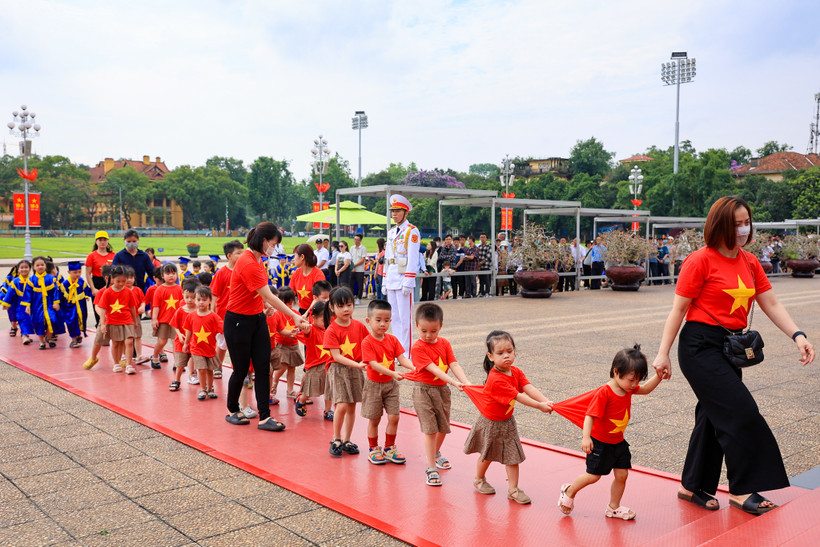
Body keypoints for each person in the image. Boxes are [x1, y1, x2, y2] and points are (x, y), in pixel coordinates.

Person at [652, 196, 815, 515]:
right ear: (720, 225)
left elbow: (771, 303)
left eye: (746, 222)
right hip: (699, 347)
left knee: (713, 416)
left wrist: (798, 335)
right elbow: (678, 310)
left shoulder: (750, 262)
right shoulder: (699, 261)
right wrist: (662, 354)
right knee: (742, 412)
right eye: (736, 223)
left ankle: (692, 486)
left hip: (729, 346)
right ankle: (742, 490)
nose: (743, 229)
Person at [557, 345, 661, 519]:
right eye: (631, 380)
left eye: (638, 380)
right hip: (600, 443)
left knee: (622, 474)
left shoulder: (627, 388)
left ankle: (613, 507)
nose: (635, 385)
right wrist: (586, 437)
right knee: (593, 476)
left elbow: (646, 389)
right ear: (616, 372)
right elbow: (589, 415)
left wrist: (659, 376)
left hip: (618, 442)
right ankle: (569, 490)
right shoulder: (604, 393)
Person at [223, 222, 307, 431]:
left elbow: (258, 293)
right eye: (274, 243)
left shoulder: (258, 259)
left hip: (256, 319)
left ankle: (265, 416)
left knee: (263, 367)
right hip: (238, 322)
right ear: (263, 241)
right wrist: (294, 316)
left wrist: (265, 306)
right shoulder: (248, 262)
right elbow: (268, 294)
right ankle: (233, 410)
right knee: (241, 369)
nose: (275, 248)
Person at [463, 331, 553, 504]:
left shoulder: (516, 372)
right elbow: (519, 397)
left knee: (513, 456)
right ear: (490, 356)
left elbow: (529, 388)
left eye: (509, 351)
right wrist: (540, 406)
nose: (506, 356)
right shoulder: (496, 378)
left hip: (507, 421)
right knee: (487, 454)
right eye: (500, 353)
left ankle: (513, 490)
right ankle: (479, 479)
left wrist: (545, 400)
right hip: (490, 422)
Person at [404, 303, 470, 486]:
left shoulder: (445, 343)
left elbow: (453, 364)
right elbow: (433, 369)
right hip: (423, 391)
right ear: (416, 326)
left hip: (442, 391)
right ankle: (431, 467)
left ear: (441, 326)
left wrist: (466, 382)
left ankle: (435, 453)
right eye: (424, 330)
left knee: (443, 427)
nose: (428, 335)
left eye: (433, 331)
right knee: (430, 429)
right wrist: (454, 382)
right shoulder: (417, 347)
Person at [361, 299, 415, 465]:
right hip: (373, 386)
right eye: (378, 320)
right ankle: (373, 449)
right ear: (368, 321)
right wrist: (393, 373)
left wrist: (415, 368)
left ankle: (389, 448)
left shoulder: (392, 340)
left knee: (394, 417)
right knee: (374, 419)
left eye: (386, 320)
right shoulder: (367, 342)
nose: (382, 324)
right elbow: (373, 364)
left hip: (391, 385)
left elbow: (402, 359)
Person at [322, 287, 369, 457]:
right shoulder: (332, 330)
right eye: (340, 306)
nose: (346, 309)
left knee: (351, 405)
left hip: (356, 369)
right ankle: (336, 438)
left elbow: (369, 344)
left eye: (349, 305)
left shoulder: (359, 326)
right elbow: (336, 356)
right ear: (332, 307)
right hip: (338, 369)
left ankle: (347, 440)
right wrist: (358, 365)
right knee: (341, 404)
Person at [382, 195, 420, 357]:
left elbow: (413, 258)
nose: (394, 214)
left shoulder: (411, 231)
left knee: (405, 319)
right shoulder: (391, 232)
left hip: (403, 277)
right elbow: (387, 258)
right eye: (393, 211)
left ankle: (406, 353)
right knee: (394, 317)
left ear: (406, 213)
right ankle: (398, 352)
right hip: (392, 277)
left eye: (398, 211)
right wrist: (384, 281)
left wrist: (409, 280)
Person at [95, 264, 139, 374]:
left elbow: (132, 307)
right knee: (115, 343)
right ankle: (116, 363)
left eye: (123, 281)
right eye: (118, 281)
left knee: (129, 341)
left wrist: (134, 320)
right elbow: (103, 309)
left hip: (127, 320)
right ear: (112, 279)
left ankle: (129, 364)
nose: (121, 284)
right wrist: (103, 324)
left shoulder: (128, 291)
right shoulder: (107, 292)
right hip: (113, 321)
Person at [182, 285, 222, 401]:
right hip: (196, 348)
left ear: (210, 301)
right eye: (198, 299)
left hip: (210, 348)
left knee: (210, 370)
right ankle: (203, 389)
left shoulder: (214, 317)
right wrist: (186, 343)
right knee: (201, 369)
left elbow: (223, 328)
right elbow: (189, 330)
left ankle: (210, 388)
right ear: (195, 300)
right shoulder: (191, 316)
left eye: (204, 300)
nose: (201, 302)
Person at [211, 239, 244, 380]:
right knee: (222, 344)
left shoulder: (243, 271)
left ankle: (239, 369)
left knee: (239, 343)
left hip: (241, 314)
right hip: (223, 315)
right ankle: (217, 366)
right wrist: (212, 313)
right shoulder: (222, 273)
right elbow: (214, 295)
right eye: (238, 253)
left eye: (243, 252)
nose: (242, 255)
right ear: (229, 256)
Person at [294, 300, 333, 419]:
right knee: (310, 390)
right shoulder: (310, 329)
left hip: (328, 365)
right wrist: (305, 326)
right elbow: (305, 331)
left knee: (329, 389)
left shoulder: (328, 329)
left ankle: (328, 411)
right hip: (314, 366)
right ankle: (301, 399)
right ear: (314, 318)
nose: (326, 322)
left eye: (328, 319)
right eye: (323, 320)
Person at [271, 287, 304, 400]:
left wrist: (299, 329)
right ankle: (274, 383)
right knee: (282, 367)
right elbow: (277, 330)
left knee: (292, 368)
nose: (289, 306)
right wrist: (287, 333)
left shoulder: (295, 313)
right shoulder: (278, 314)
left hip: (293, 344)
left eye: (291, 303)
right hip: (282, 344)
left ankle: (290, 389)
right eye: (286, 304)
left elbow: (300, 326)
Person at [150, 263, 183, 369]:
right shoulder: (160, 289)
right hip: (163, 320)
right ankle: (155, 356)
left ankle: (177, 362)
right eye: (168, 273)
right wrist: (154, 319)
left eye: (173, 273)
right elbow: (156, 306)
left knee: (176, 341)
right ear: (162, 276)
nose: (171, 276)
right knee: (162, 341)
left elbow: (183, 305)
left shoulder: (179, 289)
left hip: (176, 321)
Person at [24, 256, 60, 350]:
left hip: (49, 305)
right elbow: (28, 294)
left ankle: (49, 337)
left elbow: (55, 292)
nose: (40, 267)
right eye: (37, 265)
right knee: (38, 322)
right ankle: (41, 342)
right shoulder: (31, 280)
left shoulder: (51, 278)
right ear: (33, 267)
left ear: (45, 266)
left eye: (42, 265)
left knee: (52, 320)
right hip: (36, 306)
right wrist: (27, 305)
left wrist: (56, 302)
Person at [168, 278, 199, 392]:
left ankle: (203, 382)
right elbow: (174, 324)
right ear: (183, 296)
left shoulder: (199, 310)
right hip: (181, 341)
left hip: (196, 341)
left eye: (192, 297)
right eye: (187, 297)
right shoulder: (181, 310)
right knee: (180, 363)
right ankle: (177, 380)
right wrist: (179, 334)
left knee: (199, 361)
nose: (190, 300)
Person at [85, 231, 114, 326]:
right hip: (97, 282)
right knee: (99, 309)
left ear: (108, 241)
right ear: (96, 241)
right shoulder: (91, 256)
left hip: (111, 283)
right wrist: (93, 288)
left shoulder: (113, 255)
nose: (102, 242)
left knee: (111, 310)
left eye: (104, 240)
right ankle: (100, 327)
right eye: (100, 240)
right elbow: (88, 273)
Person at [2, 260, 33, 345]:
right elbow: (9, 293)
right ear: (18, 270)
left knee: (30, 319)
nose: (24, 269)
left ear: (30, 269)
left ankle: (27, 334)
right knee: (22, 318)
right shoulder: (15, 281)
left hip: (31, 304)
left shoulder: (33, 280)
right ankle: (24, 336)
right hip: (20, 304)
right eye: (21, 267)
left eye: (26, 267)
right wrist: (6, 303)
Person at [290, 244, 326, 314]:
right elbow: (290, 294)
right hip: (302, 311)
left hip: (316, 312)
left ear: (302, 257)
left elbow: (319, 298)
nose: (293, 259)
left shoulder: (318, 274)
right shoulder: (296, 273)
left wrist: (306, 314)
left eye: (295, 256)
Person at [350, 235, 368, 304]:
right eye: (354, 239)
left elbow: (362, 260)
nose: (355, 241)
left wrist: (354, 265)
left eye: (357, 239)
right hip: (352, 269)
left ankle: (359, 298)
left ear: (360, 240)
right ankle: (351, 298)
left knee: (360, 284)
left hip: (360, 270)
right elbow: (350, 258)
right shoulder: (352, 248)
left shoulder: (363, 248)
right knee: (351, 284)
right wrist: (352, 267)